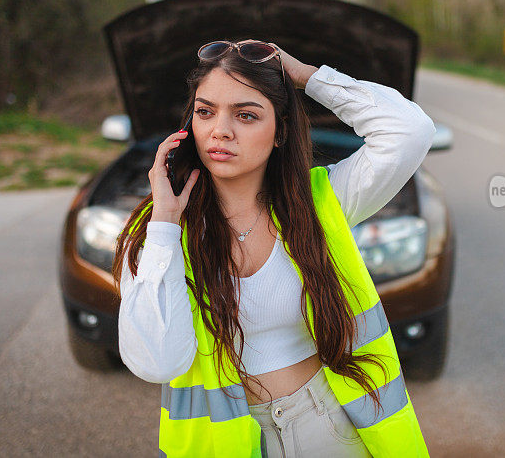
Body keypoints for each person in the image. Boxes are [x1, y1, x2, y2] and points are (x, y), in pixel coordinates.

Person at [112, 38, 435, 457]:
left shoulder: (321, 202)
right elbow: (156, 363)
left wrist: (306, 76)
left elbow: (410, 131)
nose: (220, 130)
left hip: (327, 425)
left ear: (280, 130)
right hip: (224, 439)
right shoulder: (156, 230)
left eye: (246, 115)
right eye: (205, 111)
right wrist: (165, 226)